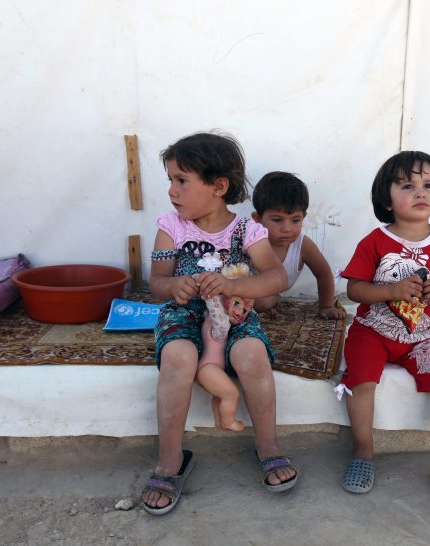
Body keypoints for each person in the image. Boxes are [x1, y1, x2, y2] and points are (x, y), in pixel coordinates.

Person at [142, 132, 297, 516]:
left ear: (218, 187)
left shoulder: (247, 231)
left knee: (253, 356)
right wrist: (174, 285)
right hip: (185, 312)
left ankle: (268, 446)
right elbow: (157, 281)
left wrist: (234, 286)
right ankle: (170, 460)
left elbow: (277, 277)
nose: (172, 190)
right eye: (171, 180)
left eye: (181, 180)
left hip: (235, 311)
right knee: (178, 359)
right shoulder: (171, 226)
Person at [337, 151, 430, 519]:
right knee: (361, 381)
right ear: (386, 199)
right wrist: (389, 291)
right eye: (408, 185)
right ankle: (363, 452)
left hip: (421, 338)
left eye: (428, 185)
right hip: (371, 332)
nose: (420, 192)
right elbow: (355, 290)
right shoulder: (374, 241)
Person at [251, 171, 346, 320]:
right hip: (242, 288)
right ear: (257, 218)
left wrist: (327, 306)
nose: (287, 228)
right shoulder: (249, 239)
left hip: (264, 296)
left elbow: (324, 274)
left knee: (262, 302)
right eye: (277, 220)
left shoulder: (302, 245)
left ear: (304, 217)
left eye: (295, 220)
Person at [196, 261, 253, 432]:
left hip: (209, 369)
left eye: (244, 311)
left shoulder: (214, 321)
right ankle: (228, 422)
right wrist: (210, 292)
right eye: (236, 304)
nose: (240, 312)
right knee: (231, 394)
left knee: (220, 395)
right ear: (224, 302)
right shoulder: (220, 325)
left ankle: (219, 421)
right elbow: (214, 308)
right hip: (209, 369)